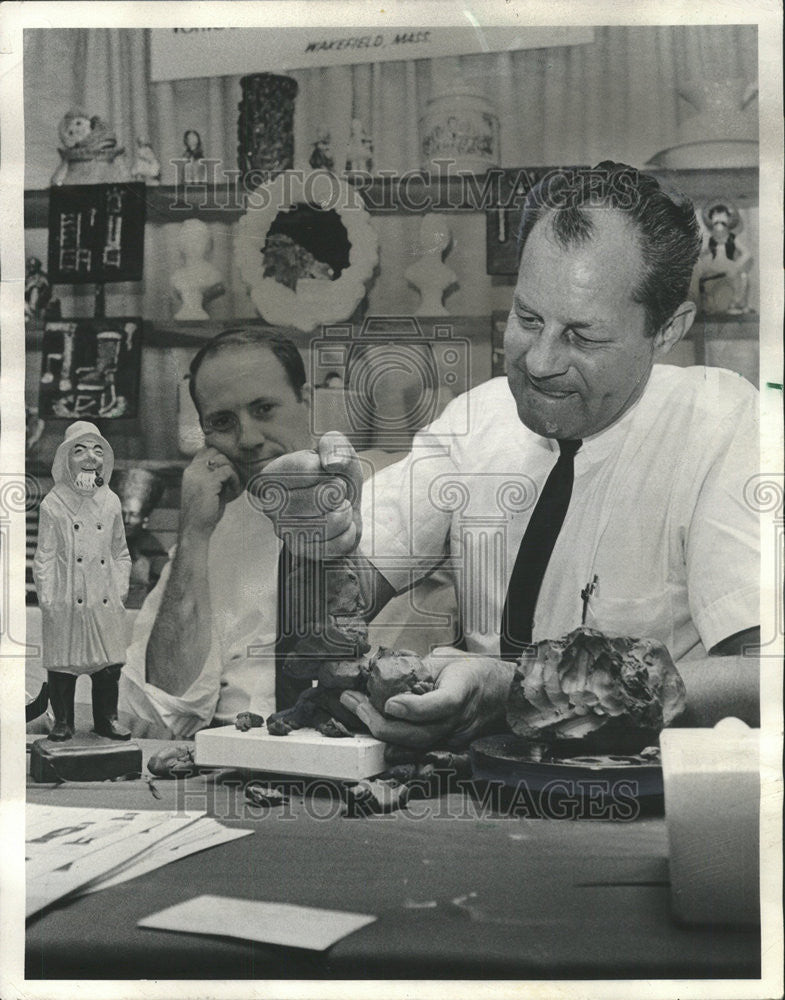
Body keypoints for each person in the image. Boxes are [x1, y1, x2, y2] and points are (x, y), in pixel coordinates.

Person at [259, 162, 760, 749]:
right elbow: (319, 634)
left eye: (583, 336)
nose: (540, 360)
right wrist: (314, 544)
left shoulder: (722, 424)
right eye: (527, 319)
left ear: (667, 330)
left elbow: (763, 680)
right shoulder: (475, 421)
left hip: (642, 819)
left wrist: (519, 693)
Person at [119, 328, 314, 738]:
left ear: (305, 403)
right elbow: (160, 712)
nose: (247, 440)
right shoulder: (210, 533)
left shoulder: (387, 505)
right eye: (223, 422)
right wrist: (193, 533)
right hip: (237, 767)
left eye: (264, 409)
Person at [33, 421, 132, 741]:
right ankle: (63, 721)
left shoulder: (112, 502)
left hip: (103, 600)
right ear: (66, 460)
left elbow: (121, 553)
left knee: (107, 668)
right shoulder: (54, 504)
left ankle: (107, 719)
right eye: (80, 450)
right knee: (64, 666)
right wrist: (49, 598)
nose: (90, 457)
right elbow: (45, 556)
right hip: (67, 599)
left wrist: (119, 589)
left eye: (97, 450)